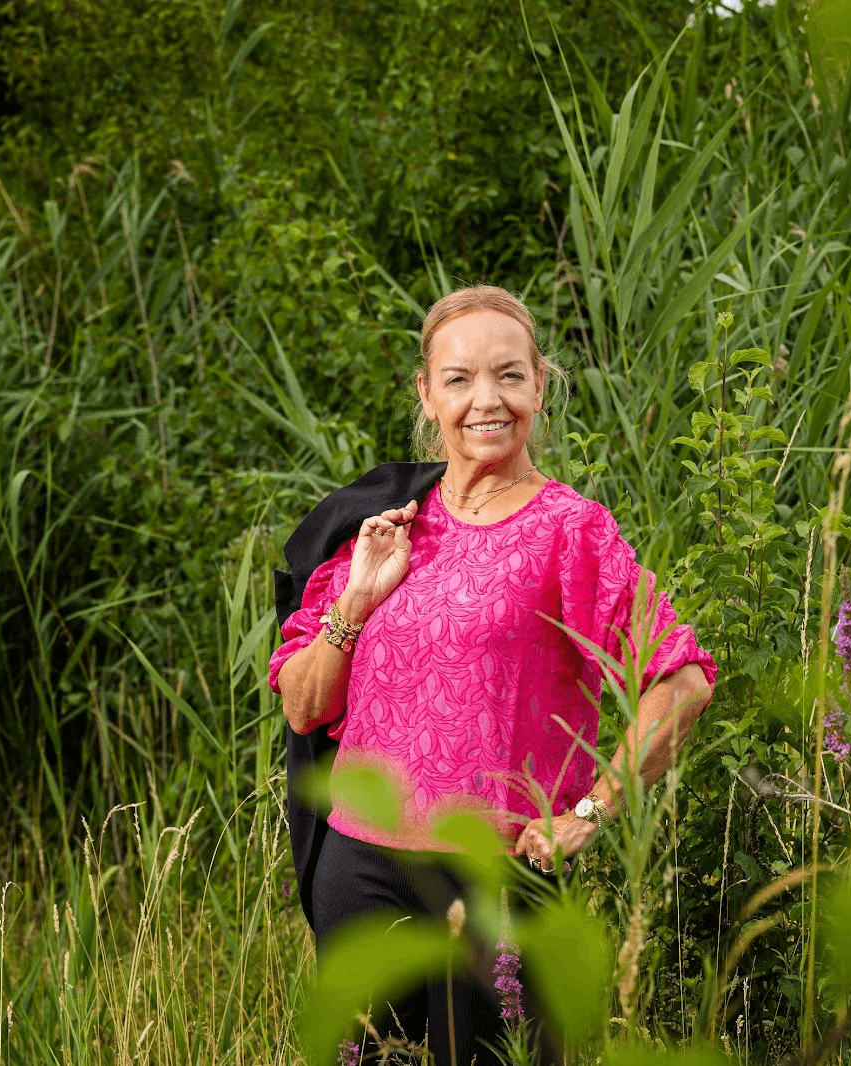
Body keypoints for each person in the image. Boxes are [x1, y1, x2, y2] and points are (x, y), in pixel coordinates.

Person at [269, 285, 716, 1064]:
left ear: (540, 384)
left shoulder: (569, 531)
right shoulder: (384, 527)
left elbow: (682, 682)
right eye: (460, 379)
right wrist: (359, 598)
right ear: (427, 393)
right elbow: (306, 708)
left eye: (509, 375)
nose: (487, 400)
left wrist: (591, 808)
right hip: (360, 870)